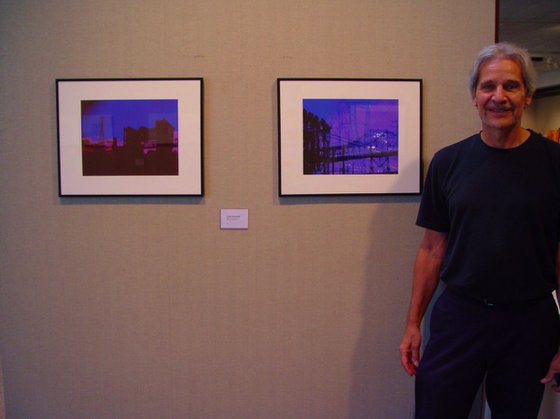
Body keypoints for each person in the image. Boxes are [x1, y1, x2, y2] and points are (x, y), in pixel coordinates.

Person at [399, 42, 560, 419]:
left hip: (529, 320)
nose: (498, 97)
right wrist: (412, 323)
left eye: (511, 86)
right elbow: (431, 249)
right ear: (474, 95)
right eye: (488, 86)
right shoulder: (448, 162)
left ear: (528, 95)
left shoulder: (554, 163)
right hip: (460, 315)